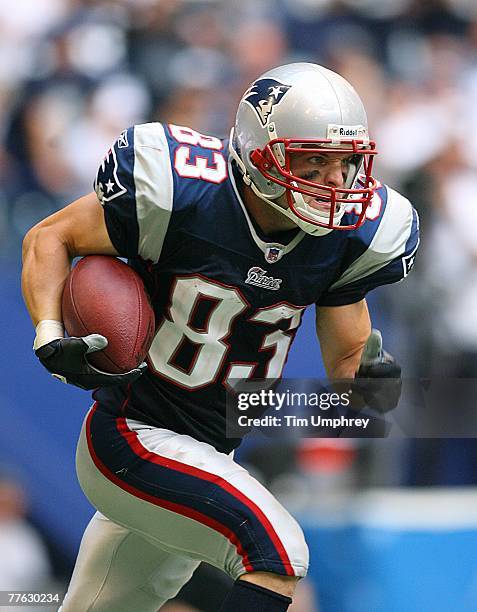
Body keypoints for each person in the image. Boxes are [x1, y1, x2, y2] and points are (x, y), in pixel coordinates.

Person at [21, 63, 419, 612]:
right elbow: (51, 236)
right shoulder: (183, 193)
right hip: (131, 435)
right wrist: (48, 331)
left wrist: (370, 384)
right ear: (260, 154)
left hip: (210, 452)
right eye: (314, 159)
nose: (334, 180)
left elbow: (350, 359)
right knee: (276, 555)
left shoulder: (349, 239)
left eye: (346, 161)